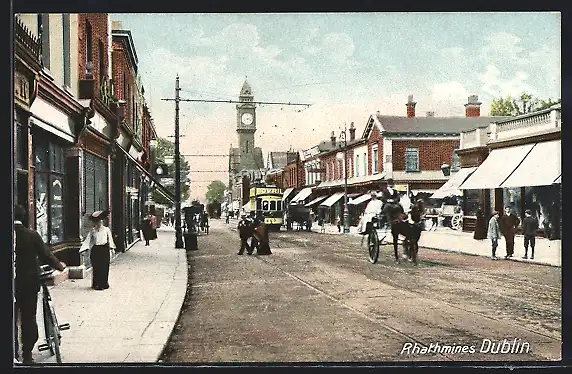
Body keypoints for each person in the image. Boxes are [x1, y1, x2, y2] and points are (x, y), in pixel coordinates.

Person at [14, 204, 66, 364]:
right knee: (29, 317)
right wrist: (60, 265)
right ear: (24, 217)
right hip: (29, 283)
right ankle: (27, 355)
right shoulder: (31, 235)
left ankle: (13, 352)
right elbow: (46, 255)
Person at [80, 210, 116, 290]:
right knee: (96, 267)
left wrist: (112, 249)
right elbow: (88, 240)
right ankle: (97, 284)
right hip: (96, 250)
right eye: (96, 222)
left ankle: (104, 283)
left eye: (100, 221)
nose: (98, 223)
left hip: (104, 250)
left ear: (102, 221)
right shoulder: (93, 231)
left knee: (104, 267)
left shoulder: (106, 230)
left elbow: (110, 240)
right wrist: (83, 249)